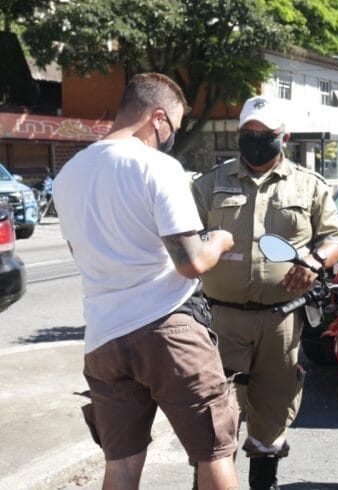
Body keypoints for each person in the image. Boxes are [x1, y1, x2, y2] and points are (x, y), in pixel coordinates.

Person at [52, 73, 239, 489]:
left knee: (120, 465)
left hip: (103, 340)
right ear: (157, 118)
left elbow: (78, 255)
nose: (171, 136)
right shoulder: (156, 166)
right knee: (214, 451)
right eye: (172, 126)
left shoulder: (69, 174)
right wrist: (219, 241)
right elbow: (190, 262)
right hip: (168, 330)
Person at [192, 95, 338, 489]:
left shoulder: (309, 186)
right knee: (215, 421)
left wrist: (316, 261)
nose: (256, 140)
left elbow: (337, 237)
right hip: (219, 320)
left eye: (266, 134)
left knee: (272, 416)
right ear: (238, 134)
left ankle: (263, 483)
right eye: (249, 133)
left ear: (284, 137)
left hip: (281, 322)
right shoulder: (209, 185)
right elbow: (184, 241)